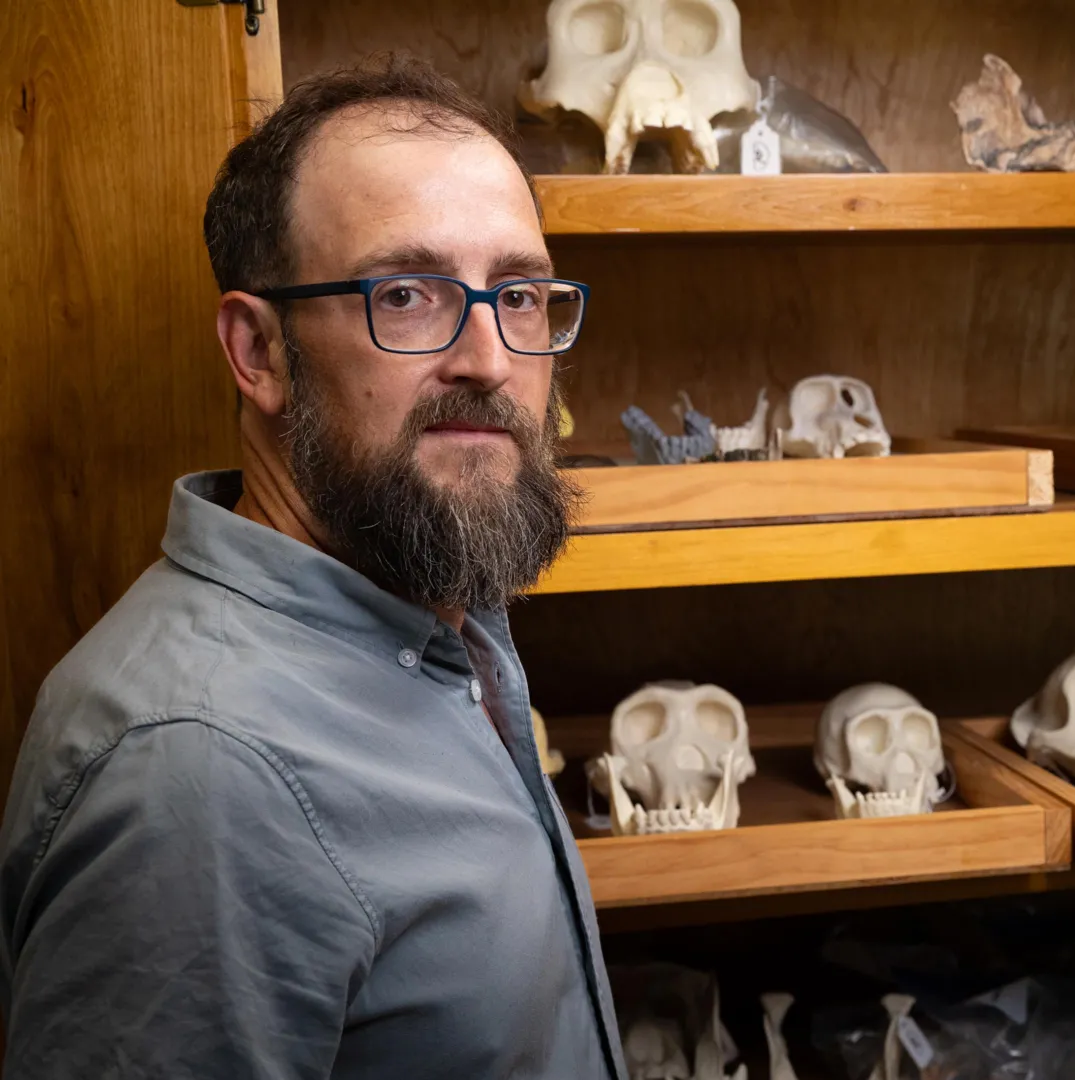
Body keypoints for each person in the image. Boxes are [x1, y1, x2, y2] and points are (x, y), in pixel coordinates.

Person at [0, 56, 625, 1078]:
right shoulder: (198, 776)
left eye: (518, 295)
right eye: (407, 294)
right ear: (259, 352)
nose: (490, 360)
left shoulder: (433, 617)